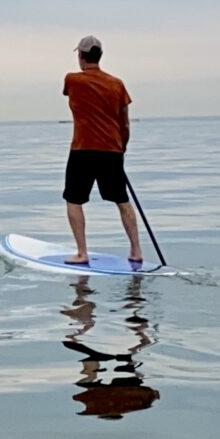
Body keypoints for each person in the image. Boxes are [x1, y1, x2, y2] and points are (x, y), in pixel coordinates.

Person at [62, 35, 143, 268]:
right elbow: (124, 123)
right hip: (112, 150)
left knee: (73, 200)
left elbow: (70, 95)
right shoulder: (117, 84)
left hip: (82, 149)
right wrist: (122, 148)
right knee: (122, 200)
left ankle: (82, 252)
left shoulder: (72, 80)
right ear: (100, 55)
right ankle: (136, 250)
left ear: (81, 56)